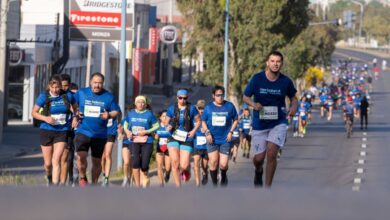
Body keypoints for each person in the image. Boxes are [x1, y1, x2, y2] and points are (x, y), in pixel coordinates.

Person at [243, 51, 298, 188]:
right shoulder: (257, 79)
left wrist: (293, 107)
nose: (275, 64)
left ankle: (267, 188)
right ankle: (258, 170)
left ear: (281, 64)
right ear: (267, 63)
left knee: (272, 152)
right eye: (272, 61)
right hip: (260, 123)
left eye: (278, 61)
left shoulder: (285, 81)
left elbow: (293, 97)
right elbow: (246, 96)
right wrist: (253, 104)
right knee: (259, 158)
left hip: (278, 122)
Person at [72, 72, 120, 186]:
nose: (97, 85)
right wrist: (75, 113)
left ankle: (93, 185)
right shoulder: (82, 93)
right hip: (83, 131)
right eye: (95, 83)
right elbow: (71, 103)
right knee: (80, 157)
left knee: (97, 162)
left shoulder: (108, 96)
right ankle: (83, 177)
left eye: (100, 83)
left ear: (103, 84)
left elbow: (116, 111)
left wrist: (108, 115)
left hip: (100, 134)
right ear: (90, 82)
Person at [31, 75, 76, 186]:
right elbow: (34, 113)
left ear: (61, 86)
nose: (55, 90)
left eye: (58, 87)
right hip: (46, 130)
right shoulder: (43, 97)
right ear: (49, 86)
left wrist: (75, 118)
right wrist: (46, 118)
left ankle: (55, 188)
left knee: (56, 160)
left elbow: (75, 108)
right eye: (53, 87)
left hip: (62, 131)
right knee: (48, 163)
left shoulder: (67, 96)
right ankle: (49, 178)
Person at [202, 86, 238, 186]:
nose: (220, 97)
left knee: (223, 164)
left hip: (225, 139)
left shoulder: (229, 106)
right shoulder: (208, 107)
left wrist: (231, 131)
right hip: (212, 139)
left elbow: (236, 119)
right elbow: (203, 121)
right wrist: (207, 133)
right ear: (213, 96)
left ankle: (223, 175)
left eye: (222, 95)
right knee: (213, 163)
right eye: (218, 95)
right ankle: (214, 185)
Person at [165, 89, 201, 187]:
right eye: (180, 98)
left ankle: (187, 168)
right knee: (175, 163)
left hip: (187, 137)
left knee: (184, 165)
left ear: (187, 98)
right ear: (177, 98)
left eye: (185, 98)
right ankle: (178, 187)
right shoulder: (171, 108)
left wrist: (193, 131)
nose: (182, 100)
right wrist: (168, 126)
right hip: (173, 137)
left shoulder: (192, 108)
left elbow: (198, 121)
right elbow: (165, 122)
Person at [124, 95, 159, 188]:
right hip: (134, 140)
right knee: (135, 163)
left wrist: (146, 131)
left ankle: (145, 175)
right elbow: (125, 124)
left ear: (145, 104)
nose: (141, 104)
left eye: (143, 102)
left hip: (147, 141)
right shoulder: (131, 113)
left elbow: (156, 125)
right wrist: (127, 131)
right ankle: (138, 186)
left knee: (144, 164)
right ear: (135, 104)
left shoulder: (149, 114)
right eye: (138, 102)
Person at [101, 103, 122, 187]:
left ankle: (106, 178)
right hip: (101, 132)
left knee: (107, 154)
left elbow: (119, 113)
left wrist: (119, 124)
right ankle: (103, 175)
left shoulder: (114, 105)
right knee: (102, 157)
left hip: (111, 132)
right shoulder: (100, 105)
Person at [193, 100, 209, 187]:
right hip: (196, 145)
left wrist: (207, 130)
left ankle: (205, 173)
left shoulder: (208, 119)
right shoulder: (193, 119)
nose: (201, 110)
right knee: (196, 162)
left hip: (206, 146)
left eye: (203, 108)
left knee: (205, 165)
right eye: (200, 108)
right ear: (197, 108)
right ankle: (197, 183)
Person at [155, 110, 172, 187]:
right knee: (159, 165)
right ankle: (161, 184)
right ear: (160, 118)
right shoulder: (157, 127)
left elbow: (174, 136)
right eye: (163, 116)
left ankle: (167, 173)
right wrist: (155, 137)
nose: (165, 118)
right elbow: (154, 135)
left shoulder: (170, 127)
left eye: (166, 116)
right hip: (160, 147)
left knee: (168, 167)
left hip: (169, 148)